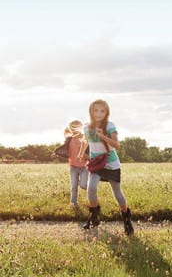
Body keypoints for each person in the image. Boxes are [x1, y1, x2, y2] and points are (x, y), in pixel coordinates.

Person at [82, 99, 134, 235]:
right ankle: (94, 218)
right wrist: (84, 153)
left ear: (106, 113)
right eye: (96, 110)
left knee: (118, 194)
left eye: (102, 111)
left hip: (111, 163)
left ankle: (127, 220)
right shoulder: (86, 127)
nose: (99, 113)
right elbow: (88, 142)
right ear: (91, 112)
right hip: (96, 163)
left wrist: (103, 136)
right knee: (91, 188)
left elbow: (116, 145)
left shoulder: (110, 126)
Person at [56, 119, 89, 208]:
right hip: (73, 167)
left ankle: (92, 193)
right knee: (74, 186)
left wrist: (86, 156)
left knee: (83, 185)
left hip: (84, 167)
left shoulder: (84, 139)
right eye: (72, 128)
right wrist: (56, 153)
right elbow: (64, 147)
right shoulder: (69, 139)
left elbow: (89, 152)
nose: (74, 130)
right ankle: (73, 203)